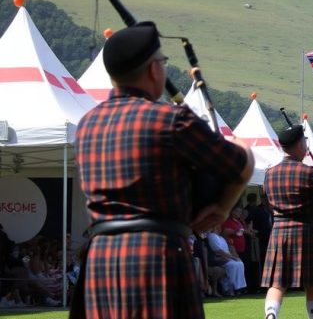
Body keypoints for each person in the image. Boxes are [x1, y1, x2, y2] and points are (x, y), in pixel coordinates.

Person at [72, 22, 254, 319]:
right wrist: (221, 208)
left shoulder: (87, 126)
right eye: (163, 62)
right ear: (154, 69)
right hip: (157, 253)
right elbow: (241, 163)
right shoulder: (171, 120)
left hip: (102, 256)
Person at [261, 125, 313, 319]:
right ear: (300, 144)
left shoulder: (269, 173)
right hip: (306, 229)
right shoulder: (310, 172)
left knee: (277, 282)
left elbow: (268, 199)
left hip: (279, 229)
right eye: (305, 142)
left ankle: (271, 315)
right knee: (312, 282)